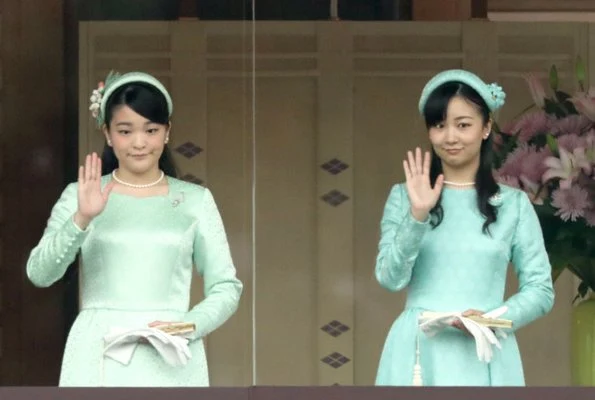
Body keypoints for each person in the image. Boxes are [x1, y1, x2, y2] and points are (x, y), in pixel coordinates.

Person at [26, 71, 243, 387]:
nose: (139, 143)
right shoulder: (80, 194)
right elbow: (39, 273)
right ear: (108, 134)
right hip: (98, 351)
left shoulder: (196, 201)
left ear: (166, 133)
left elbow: (226, 286)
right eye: (125, 131)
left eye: (151, 130)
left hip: (171, 351)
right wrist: (82, 219)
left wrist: (187, 326)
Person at [373, 69, 554, 386]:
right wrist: (417, 214)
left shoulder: (513, 205)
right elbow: (389, 278)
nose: (450, 137)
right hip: (417, 352)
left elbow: (540, 290)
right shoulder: (404, 197)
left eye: (463, 125)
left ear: (486, 128)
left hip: (484, 349)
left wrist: (489, 320)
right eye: (439, 125)